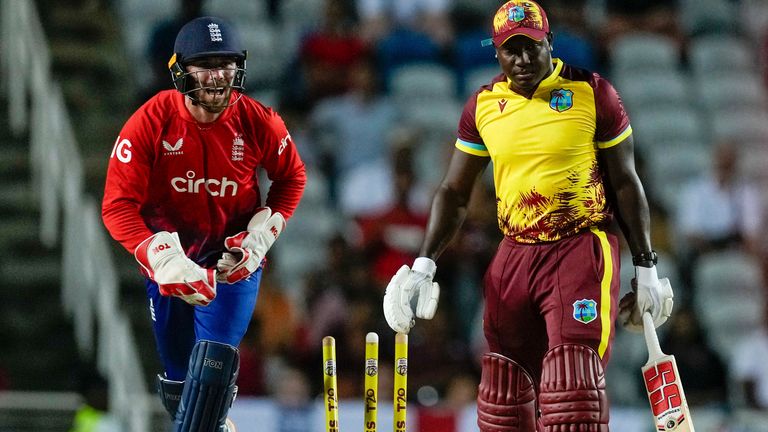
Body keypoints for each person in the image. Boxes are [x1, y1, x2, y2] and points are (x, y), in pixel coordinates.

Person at [381, 1, 674, 430]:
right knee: (503, 394)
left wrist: (645, 267)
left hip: (579, 247)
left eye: (531, 48)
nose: (521, 59)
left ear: (549, 43)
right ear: (496, 51)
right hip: (514, 254)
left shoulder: (592, 92)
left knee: (572, 385)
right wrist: (423, 265)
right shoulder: (483, 105)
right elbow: (454, 191)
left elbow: (626, 183)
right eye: (510, 50)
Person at [101, 16, 306, 432]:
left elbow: (291, 178)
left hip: (232, 263)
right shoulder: (150, 121)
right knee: (179, 380)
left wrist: (263, 234)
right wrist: (156, 254)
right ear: (180, 70)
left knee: (211, 372)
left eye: (226, 64)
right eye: (205, 65)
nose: (217, 77)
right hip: (172, 261)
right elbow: (117, 206)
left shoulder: (258, 121)